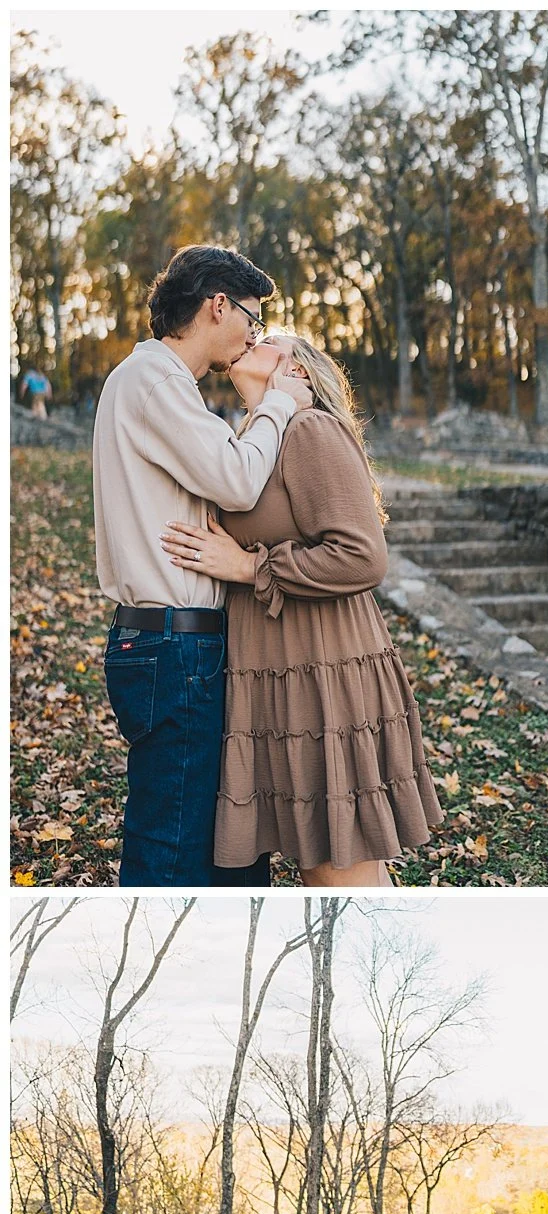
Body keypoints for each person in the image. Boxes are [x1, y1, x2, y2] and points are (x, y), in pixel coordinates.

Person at [160, 333, 442, 887]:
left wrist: (248, 568)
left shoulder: (308, 429)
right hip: (279, 671)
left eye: (269, 341)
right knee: (320, 860)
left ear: (300, 374)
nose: (250, 339)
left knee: (336, 867)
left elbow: (362, 556)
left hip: (323, 670)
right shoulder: (258, 437)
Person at [93, 245, 313, 886]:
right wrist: (278, 403)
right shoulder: (155, 382)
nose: (254, 333)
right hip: (174, 646)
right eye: (251, 316)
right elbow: (238, 482)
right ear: (218, 305)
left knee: (207, 841)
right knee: (173, 852)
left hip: (168, 640)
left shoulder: (157, 385)